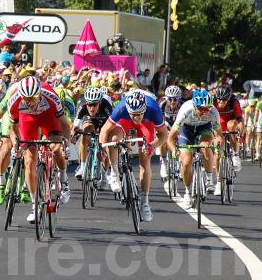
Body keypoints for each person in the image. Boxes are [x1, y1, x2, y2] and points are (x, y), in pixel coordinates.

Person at [7, 76, 72, 223]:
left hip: (48, 117)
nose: (30, 102)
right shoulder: (14, 100)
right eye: (26, 99)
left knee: (56, 148)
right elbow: (13, 129)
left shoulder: (51, 96)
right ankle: (34, 206)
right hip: (27, 119)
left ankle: (63, 179)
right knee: (29, 161)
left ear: (40, 94)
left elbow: (65, 124)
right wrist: (16, 145)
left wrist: (66, 144)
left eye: (33, 99)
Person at [100, 89, 168, 221]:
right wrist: (101, 148)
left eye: (139, 114)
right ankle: (114, 173)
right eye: (134, 114)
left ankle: (145, 202)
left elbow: (164, 135)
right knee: (113, 139)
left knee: (145, 158)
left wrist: (151, 146)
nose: (137, 117)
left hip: (146, 124)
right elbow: (104, 130)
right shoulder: (122, 107)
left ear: (144, 109)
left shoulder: (153, 109)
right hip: (125, 120)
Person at [167, 89, 222, 206]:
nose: (204, 112)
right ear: (194, 105)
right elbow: (170, 137)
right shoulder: (185, 111)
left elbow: (219, 135)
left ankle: (208, 179)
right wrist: (174, 151)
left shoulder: (213, 112)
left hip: (204, 128)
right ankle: (188, 191)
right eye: (201, 108)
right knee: (186, 162)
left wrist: (218, 148)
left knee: (205, 146)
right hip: (186, 130)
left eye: (207, 108)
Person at [73, 86, 113, 181]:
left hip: (105, 121)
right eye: (89, 105)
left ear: (99, 102)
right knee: (85, 133)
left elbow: (112, 123)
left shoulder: (106, 105)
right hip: (90, 120)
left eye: (94, 105)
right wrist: (74, 134)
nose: (91, 108)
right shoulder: (82, 105)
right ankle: (82, 166)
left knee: (106, 145)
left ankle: (104, 174)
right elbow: (76, 125)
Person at [213, 84, 243, 173]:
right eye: (219, 99)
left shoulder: (234, 102)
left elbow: (240, 119)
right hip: (219, 122)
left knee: (231, 125)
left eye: (224, 100)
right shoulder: (212, 101)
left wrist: (240, 134)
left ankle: (235, 155)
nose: (221, 102)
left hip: (231, 121)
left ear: (229, 98)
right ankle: (218, 178)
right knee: (216, 148)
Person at [158, 84, 183, 179]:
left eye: (175, 99)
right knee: (163, 139)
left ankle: (179, 163)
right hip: (166, 122)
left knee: (181, 141)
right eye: (170, 99)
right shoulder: (162, 103)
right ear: (166, 98)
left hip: (179, 123)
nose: (172, 102)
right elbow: (159, 120)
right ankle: (163, 163)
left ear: (179, 98)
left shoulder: (183, 104)